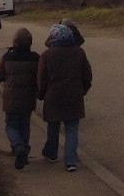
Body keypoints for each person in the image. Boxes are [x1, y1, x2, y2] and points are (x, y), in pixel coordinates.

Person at [37, 22, 93, 171]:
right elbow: (87, 75)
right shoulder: (79, 52)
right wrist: (82, 90)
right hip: (74, 95)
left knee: (53, 126)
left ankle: (52, 153)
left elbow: (41, 78)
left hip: (53, 95)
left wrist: (41, 94)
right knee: (72, 128)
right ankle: (70, 160)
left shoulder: (46, 55)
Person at [0, 27, 40, 169]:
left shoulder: (8, 57)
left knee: (11, 125)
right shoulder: (35, 58)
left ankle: (17, 146)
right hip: (28, 98)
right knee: (25, 125)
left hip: (11, 98)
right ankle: (24, 152)